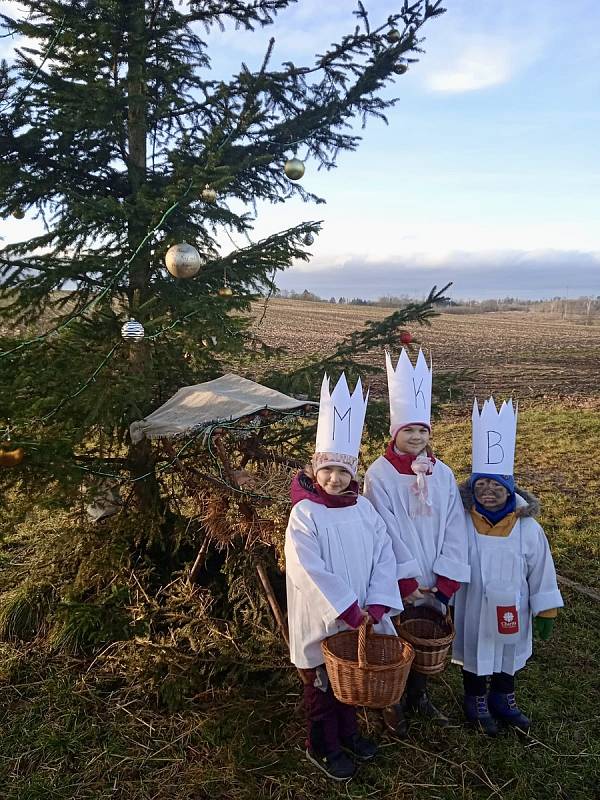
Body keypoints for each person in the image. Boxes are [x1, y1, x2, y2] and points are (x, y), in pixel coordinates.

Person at [285, 373, 403, 781]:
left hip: (362, 615)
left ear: (353, 473)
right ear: (315, 471)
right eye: (328, 470)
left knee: (350, 679)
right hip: (324, 618)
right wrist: (347, 609)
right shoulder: (304, 514)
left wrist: (377, 601)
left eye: (343, 471)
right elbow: (306, 568)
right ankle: (321, 745)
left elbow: (384, 553)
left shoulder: (363, 509)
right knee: (322, 683)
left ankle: (348, 734)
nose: (335, 478)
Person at [363, 349, 470, 734]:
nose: (417, 436)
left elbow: (456, 524)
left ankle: (419, 695)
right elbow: (383, 529)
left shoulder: (442, 474)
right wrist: (405, 581)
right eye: (409, 430)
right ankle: (392, 699)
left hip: (435, 573)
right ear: (395, 433)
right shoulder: (380, 475)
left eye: (423, 430)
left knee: (427, 634)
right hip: (400, 575)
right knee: (396, 635)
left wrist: (445, 582)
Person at [452, 398, 563, 735]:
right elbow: (452, 556)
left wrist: (545, 608)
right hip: (473, 602)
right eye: (480, 484)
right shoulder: (463, 522)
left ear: (510, 488)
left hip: (513, 603)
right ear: (472, 488)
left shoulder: (527, 527)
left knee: (507, 649)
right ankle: (475, 698)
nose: (488, 492)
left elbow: (541, 567)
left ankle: (503, 695)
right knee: (475, 649)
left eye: (496, 485)